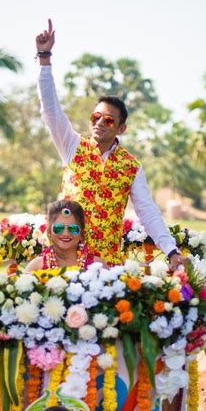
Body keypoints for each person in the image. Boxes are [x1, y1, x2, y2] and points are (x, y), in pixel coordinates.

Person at [35, 19, 188, 268]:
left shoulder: (131, 166)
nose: (99, 123)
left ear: (121, 128)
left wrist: (171, 251)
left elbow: (148, 211)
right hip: (62, 262)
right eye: (96, 117)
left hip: (106, 269)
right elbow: (51, 111)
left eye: (108, 120)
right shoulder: (72, 146)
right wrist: (44, 58)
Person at [25, 199, 104, 271]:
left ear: (81, 232)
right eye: (59, 228)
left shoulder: (98, 266)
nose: (66, 233)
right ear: (49, 231)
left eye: (73, 228)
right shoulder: (36, 267)